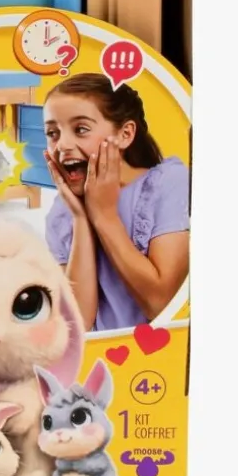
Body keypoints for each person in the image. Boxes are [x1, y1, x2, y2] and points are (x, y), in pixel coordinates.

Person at [42, 74, 189, 332]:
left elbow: (161, 304)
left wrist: (103, 215)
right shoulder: (62, 214)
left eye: (81, 129)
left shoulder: (167, 183)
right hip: (106, 354)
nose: (62, 145)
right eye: (53, 133)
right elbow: (78, 325)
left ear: (125, 134)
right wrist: (81, 217)